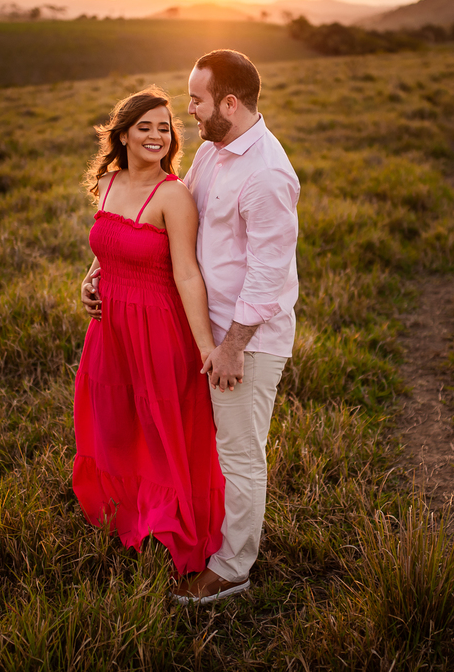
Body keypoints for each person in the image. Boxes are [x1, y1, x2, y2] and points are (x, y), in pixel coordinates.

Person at [85, 50, 300, 604]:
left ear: (228, 103)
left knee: (239, 454)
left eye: (197, 101)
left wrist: (230, 347)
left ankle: (232, 568)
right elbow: (159, 225)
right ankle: (192, 527)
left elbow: (268, 275)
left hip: (243, 341)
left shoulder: (268, 174)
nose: (189, 113)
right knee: (199, 441)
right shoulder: (212, 151)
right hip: (197, 330)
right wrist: (103, 269)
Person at [72, 86, 225, 577]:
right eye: (145, 127)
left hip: (157, 327)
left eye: (165, 127)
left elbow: (187, 274)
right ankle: (126, 510)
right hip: (110, 328)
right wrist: (90, 279)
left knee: (159, 427)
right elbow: (108, 244)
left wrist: (207, 347)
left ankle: (167, 521)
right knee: (115, 421)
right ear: (122, 135)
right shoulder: (108, 183)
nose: (157, 135)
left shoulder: (173, 195)